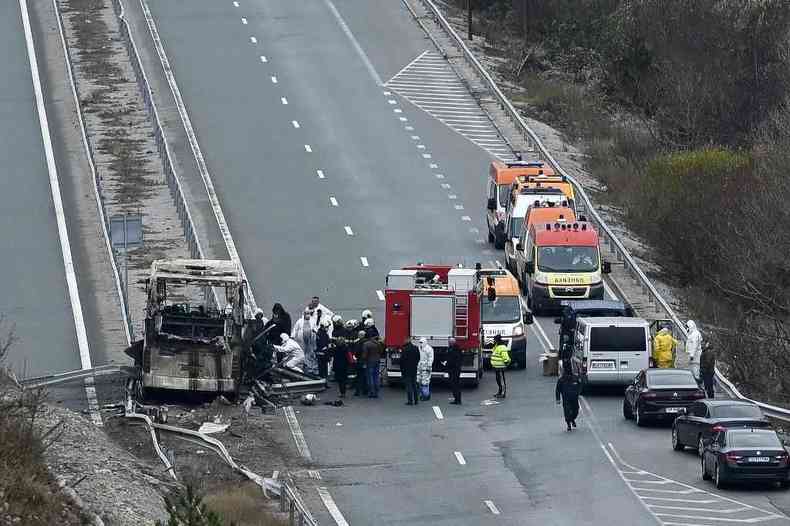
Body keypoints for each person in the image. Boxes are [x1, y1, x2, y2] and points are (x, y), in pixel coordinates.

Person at [555, 361, 582, 431]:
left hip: (574, 398)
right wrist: (558, 399)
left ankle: (572, 419)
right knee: (567, 411)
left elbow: (580, 385)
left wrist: (578, 393)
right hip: (566, 398)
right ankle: (568, 424)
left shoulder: (575, 378)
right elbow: (557, 389)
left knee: (576, 411)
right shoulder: (561, 380)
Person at [292, 309, 318, 375]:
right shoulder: (300, 321)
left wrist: (316, 333)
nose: (307, 315)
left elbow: (315, 328)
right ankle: (302, 366)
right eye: (306, 314)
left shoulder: (312, 321)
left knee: (310, 353)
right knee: (302, 352)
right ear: (304, 314)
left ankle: (310, 367)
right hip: (302, 340)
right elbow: (295, 329)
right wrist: (292, 336)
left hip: (310, 340)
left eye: (308, 314)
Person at [363, 332, 383, 398]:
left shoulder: (366, 344)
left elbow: (365, 355)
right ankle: (376, 391)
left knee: (370, 377)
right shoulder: (378, 343)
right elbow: (381, 351)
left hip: (369, 361)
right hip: (377, 360)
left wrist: (364, 360)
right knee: (376, 376)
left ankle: (371, 391)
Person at [331, 332, 350, 398]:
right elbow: (348, 357)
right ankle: (343, 392)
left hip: (337, 366)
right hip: (344, 366)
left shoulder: (335, 349)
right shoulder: (346, 349)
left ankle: (342, 392)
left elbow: (331, 354)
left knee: (340, 380)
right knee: (344, 380)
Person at [401, 340, 420, 406]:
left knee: (408, 385)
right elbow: (418, 358)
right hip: (414, 369)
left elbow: (402, 360)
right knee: (414, 385)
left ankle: (410, 400)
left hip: (406, 369)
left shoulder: (404, 349)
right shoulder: (416, 348)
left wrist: (402, 370)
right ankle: (416, 400)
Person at [445, 337, 462, 404]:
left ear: (452, 342)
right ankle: (457, 399)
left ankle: (457, 400)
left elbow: (453, 360)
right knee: (455, 384)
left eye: (449, 342)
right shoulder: (453, 348)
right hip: (453, 369)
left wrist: (447, 363)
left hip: (454, 370)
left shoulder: (454, 350)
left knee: (455, 384)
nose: (448, 343)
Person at [353, 330, 369, 396]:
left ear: (361, 335)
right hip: (366, 361)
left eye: (359, 335)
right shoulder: (367, 342)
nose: (358, 336)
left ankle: (357, 391)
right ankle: (365, 391)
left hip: (360, 361)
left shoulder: (359, 343)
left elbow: (357, 352)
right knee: (365, 376)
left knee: (358, 377)